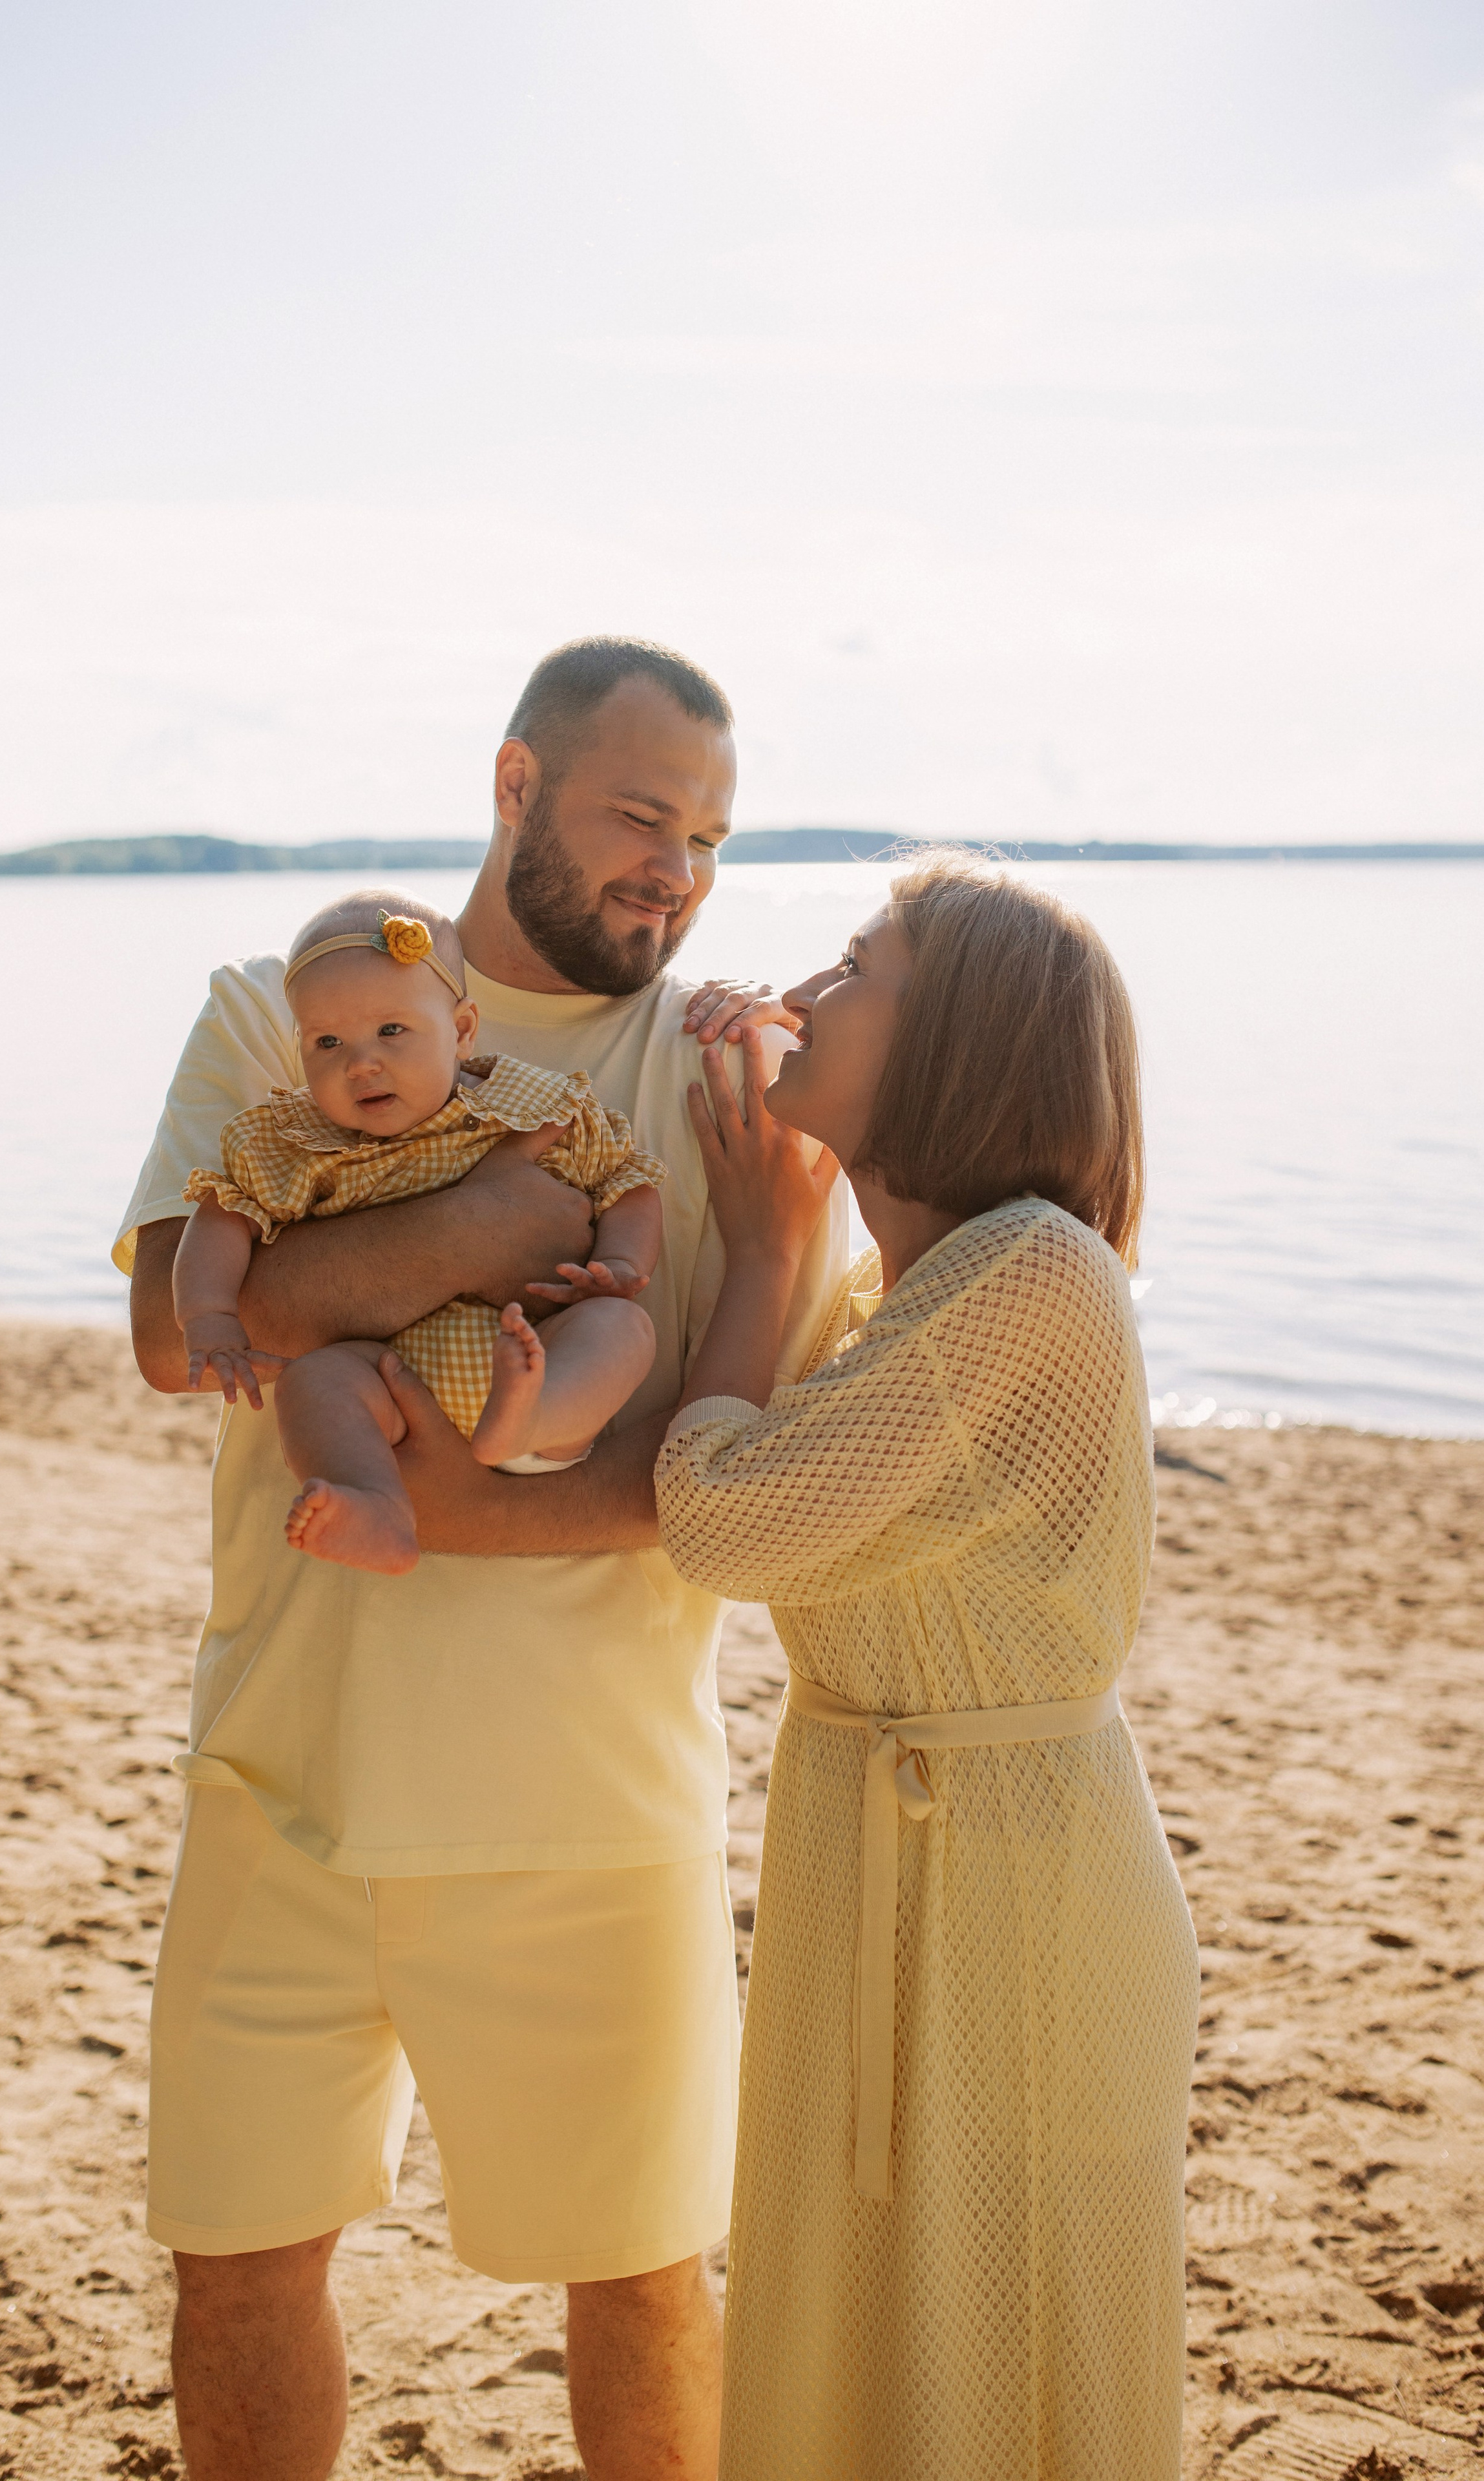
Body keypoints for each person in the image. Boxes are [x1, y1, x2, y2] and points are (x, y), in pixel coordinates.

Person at [114, 636, 852, 2481]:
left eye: (710, 835)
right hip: (285, 1780)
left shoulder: (733, 1093)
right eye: (638, 815)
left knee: (647, 2292)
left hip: (595, 1811)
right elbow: (180, 1329)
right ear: (516, 788)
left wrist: (458, 1443)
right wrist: (511, 1215)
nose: (676, 870)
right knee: (239, 2271)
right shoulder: (288, 1016)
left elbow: (729, 1474)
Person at [654, 852, 1199, 2480]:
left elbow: (718, 1522)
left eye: (852, 965)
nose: (803, 993)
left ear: (957, 1036)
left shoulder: (1029, 1268)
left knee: (1000, 2327)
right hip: (877, 1841)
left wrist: (762, 1248)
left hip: (1007, 1883)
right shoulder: (898, 1292)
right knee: (860, 2318)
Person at [174, 887, 667, 1573]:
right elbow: (221, 1220)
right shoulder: (294, 1144)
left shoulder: (528, 1108)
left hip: (532, 1354)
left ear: (463, 1030)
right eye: (327, 1042)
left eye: (392, 1032)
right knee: (315, 1384)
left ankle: (536, 1417)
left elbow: (629, 1181)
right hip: (386, 1385)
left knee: (620, 1326)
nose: (361, 1063)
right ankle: (374, 1499)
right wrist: (209, 1318)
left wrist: (618, 1261)